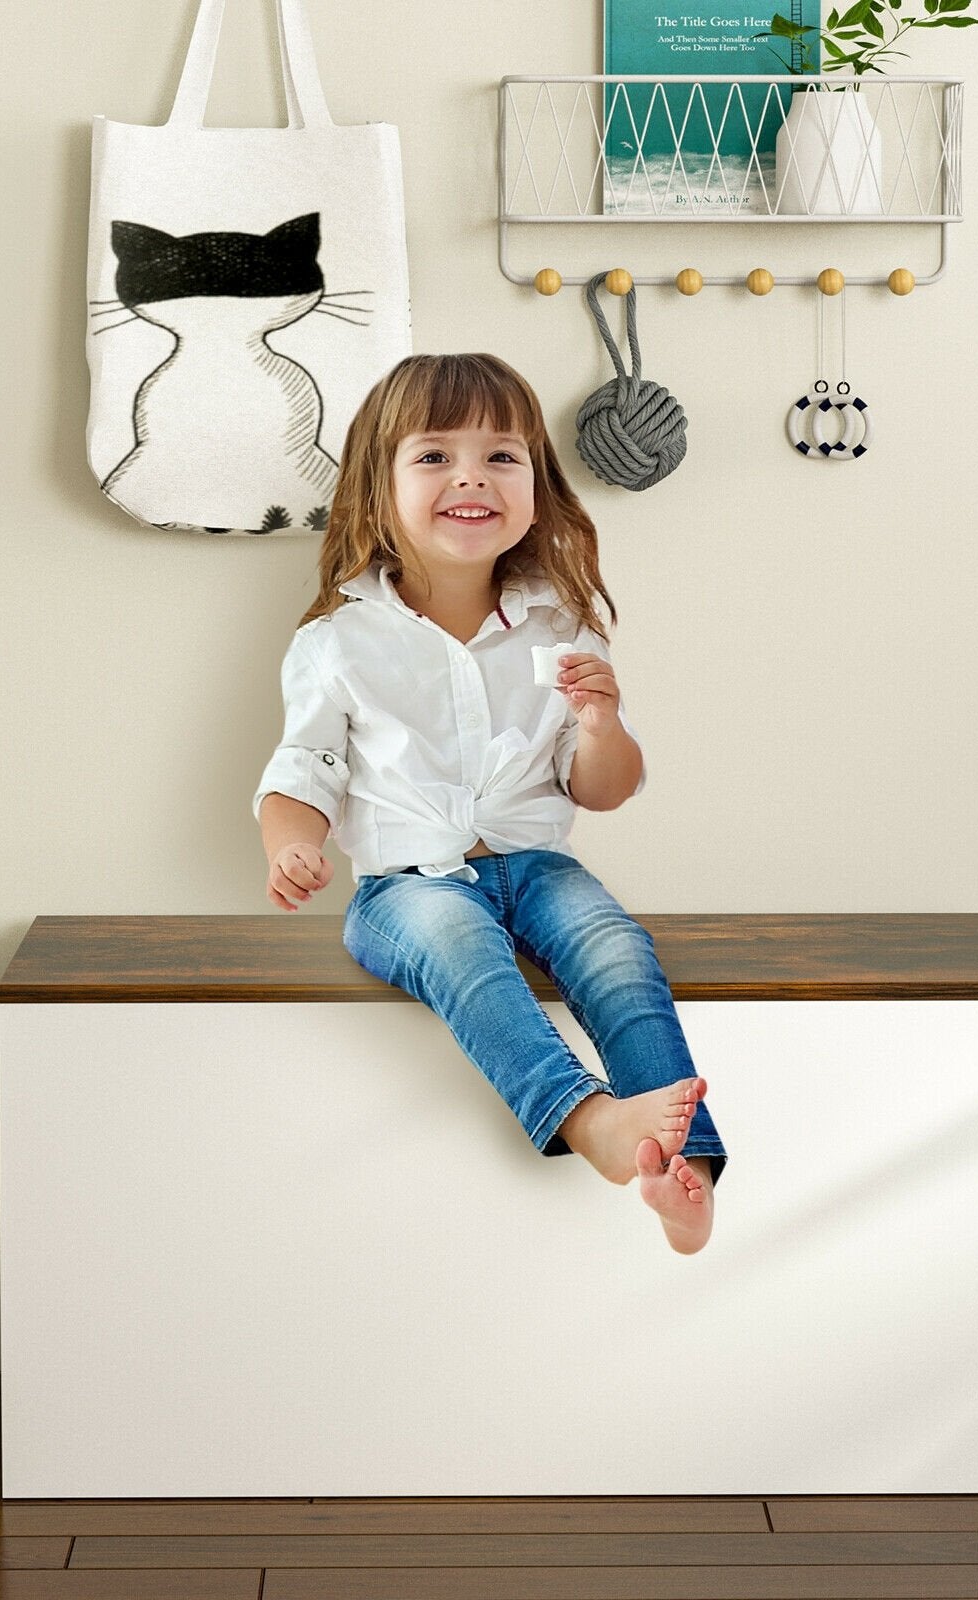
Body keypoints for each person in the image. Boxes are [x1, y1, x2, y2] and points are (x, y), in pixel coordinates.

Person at [252, 352, 726, 1254]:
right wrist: (291, 848)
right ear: (376, 491)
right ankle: (592, 1126)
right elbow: (301, 770)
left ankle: (685, 1169)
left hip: (538, 867)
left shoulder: (562, 628)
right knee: (462, 948)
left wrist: (600, 722)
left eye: (501, 456)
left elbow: (605, 788)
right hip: (406, 888)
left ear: (537, 490)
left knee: (618, 951)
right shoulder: (338, 642)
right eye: (434, 456)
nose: (470, 475)